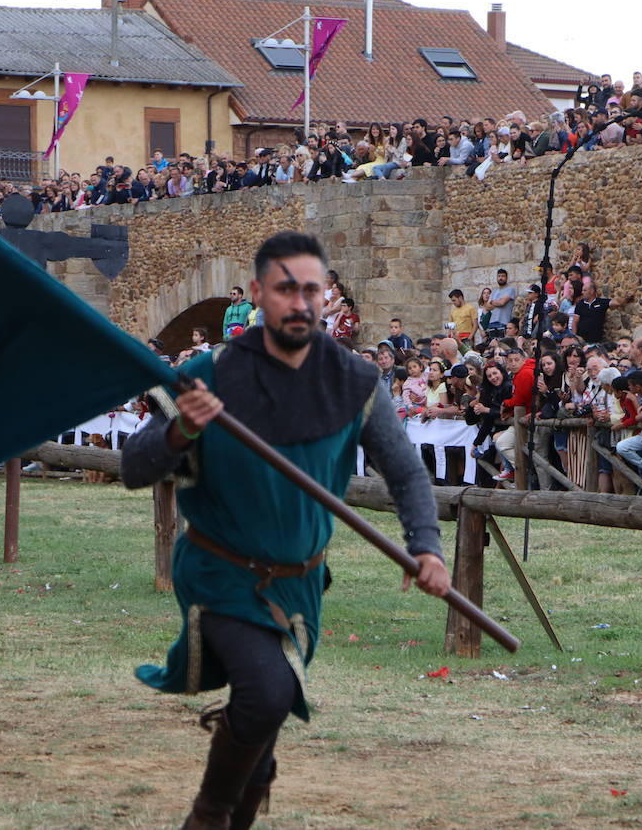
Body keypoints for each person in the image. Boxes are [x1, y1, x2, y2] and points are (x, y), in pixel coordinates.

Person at [120, 231, 448, 829]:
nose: (299, 302)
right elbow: (134, 469)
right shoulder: (205, 375)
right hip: (219, 572)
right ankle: (208, 816)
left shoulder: (356, 383)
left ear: (326, 296)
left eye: (310, 290)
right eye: (285, 289)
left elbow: (406, 474)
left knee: (261, 729)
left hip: (299, 586)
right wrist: (179, 431)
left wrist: (425, 545)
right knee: (269, 695)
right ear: (258, 296)